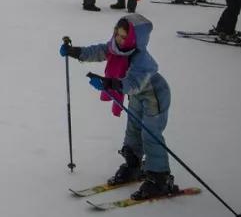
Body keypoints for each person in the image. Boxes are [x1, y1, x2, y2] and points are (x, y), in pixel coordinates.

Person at [60, 14, 178, 200]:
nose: (119, 40)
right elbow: (99, 51)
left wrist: (110, 84)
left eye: (124, 37)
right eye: (117, 34)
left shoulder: (142, 59)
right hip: (137, 96)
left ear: (134, 39)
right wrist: (75, 52)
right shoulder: (115, 48)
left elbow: (133, 83)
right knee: (133, 129)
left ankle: (159, 177)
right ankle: (133, 164)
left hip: (154, 94)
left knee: (150, 135)